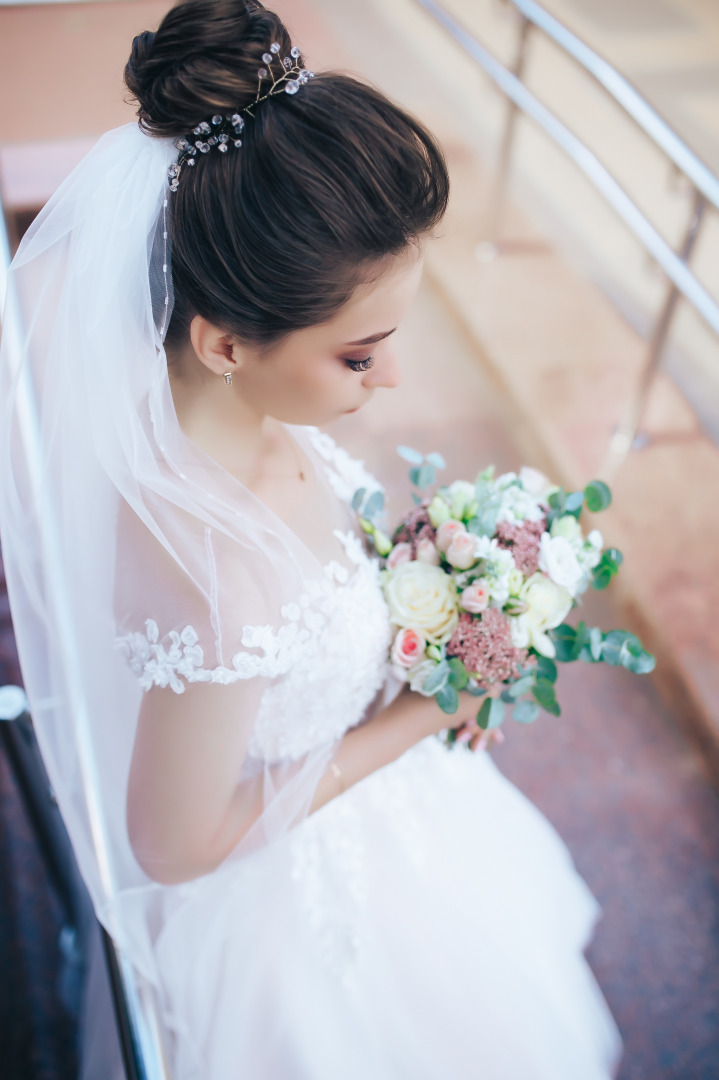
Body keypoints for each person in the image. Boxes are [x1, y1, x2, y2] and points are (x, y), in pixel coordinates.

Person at [0, 0, 622, 1076]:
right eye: (358, 356)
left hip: (369, 818)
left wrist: (423, 598)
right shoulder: (213, 576)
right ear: (225, 342)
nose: (392, 381)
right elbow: (174, 845)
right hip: (290, 922)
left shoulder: (240, 419)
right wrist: (422, 713)